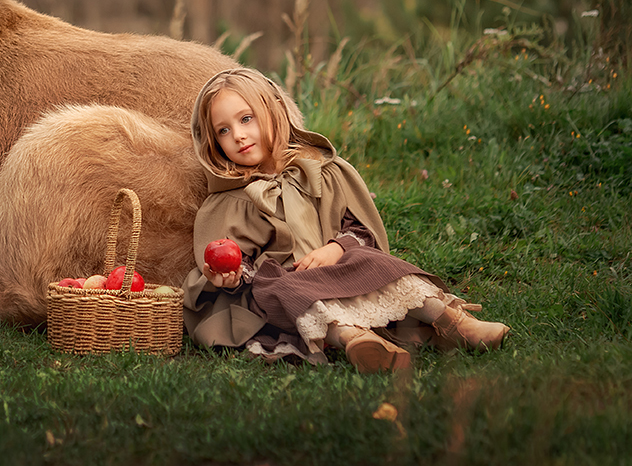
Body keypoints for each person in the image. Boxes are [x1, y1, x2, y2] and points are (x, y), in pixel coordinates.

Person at [181, 67, 510, 372]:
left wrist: (335, 249)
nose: (238, 135)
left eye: (247, 119)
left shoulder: (323, 172)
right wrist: (233, 276)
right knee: (281, 288)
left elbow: (361, 229)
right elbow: (240, 261)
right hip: (290, 281)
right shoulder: (230, 201)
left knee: (372, 261)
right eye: (224, 130)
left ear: (274, 111)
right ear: (213, 142)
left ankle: (455, 322)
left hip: (341, 268)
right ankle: (357, 342)